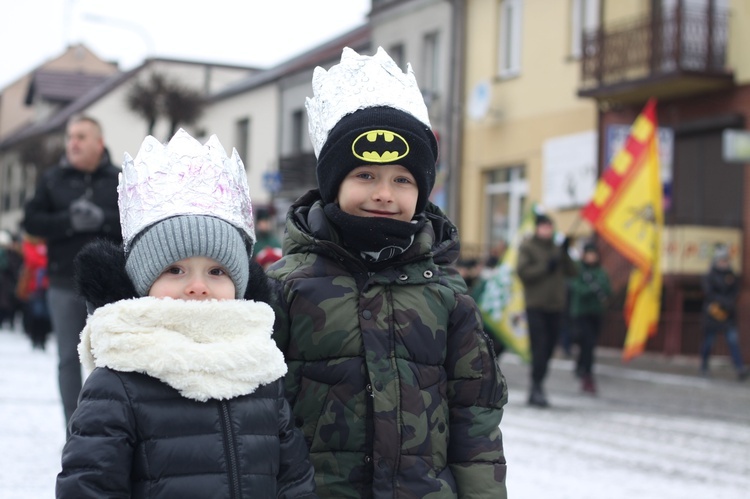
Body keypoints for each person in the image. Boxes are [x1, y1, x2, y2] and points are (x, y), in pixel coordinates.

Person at [266, 47, 508, 498]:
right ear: (333, 184)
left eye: (402, 180)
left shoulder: (448, 294)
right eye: (365, 176)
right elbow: (260, 414)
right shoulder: (286, 287)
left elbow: (476, 416)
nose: (384, 194)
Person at [56, 129, 317, 498]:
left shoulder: (260, 369)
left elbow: (293, 480)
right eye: (175, 270)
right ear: (144, 281)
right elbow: (89, 485)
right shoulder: (120, 379)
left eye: (217, 271)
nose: (198, 286)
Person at [22, 114, 122, 429]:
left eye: (81, 136)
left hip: (109, 284)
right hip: (64, 281)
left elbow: (134, 223)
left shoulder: (119, 178)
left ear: (99, 143)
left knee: (111, 358)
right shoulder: (52, 179)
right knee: (68, 359)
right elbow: (32, 222)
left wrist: (102, 220)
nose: (73, 143)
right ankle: (75, 430)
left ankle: (110, 429)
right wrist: (69, 221)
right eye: (70, 137)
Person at [516, 212, 577, 407]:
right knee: (539, 348)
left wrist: (566, 253)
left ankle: (539, 383)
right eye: (543, 226)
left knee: (550, 347)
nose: (547, 230)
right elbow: (523, 272)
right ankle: (536, 386)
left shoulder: (557, 249)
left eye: (549, 227)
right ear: (537, 228)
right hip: (536, 305)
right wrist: (545, 266)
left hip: (556, 306)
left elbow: (574, 272)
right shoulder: (528, 247)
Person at [568, 241, 611, 394]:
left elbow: (607, 289)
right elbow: (577, 289)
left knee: (590, 344)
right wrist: (591, 289)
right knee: (587, 342)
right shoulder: (579, 270)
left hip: (596, 312)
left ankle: (582, 366)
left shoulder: (601, 271)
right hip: (581, 313)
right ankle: (587, 374)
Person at [700, 244, 748, 381]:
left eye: (726, 260)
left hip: (728, 315)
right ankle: (704, 366)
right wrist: (722, 302)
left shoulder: (731, 276)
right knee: (708, 342)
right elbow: (709, 293)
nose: (724, 263)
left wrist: (728, 303)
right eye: (722, 260)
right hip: (713, 313)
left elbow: (735, 292)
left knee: (733, 341)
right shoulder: (710, 276)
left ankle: (740, 368)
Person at [15, 233, 52, 349]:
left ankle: (43, 338)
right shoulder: (29, 243)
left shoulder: (48, 243)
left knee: (46, 313)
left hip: (47, 284)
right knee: (36, 311)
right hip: (34, 284)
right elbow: (32, 260)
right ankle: (35, 337)